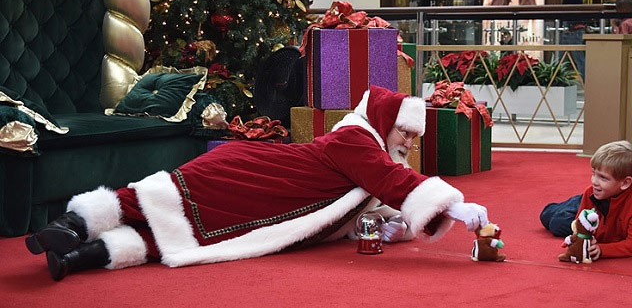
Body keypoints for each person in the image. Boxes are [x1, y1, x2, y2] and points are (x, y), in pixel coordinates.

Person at [25, 86, 489, 281]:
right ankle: (71, 226)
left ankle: (75, 259)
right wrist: (454, 206)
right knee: (154, 199)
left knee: (178, 235)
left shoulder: (368, 157)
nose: (407, 142)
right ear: (385, 122)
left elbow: (359, 207)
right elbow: (391, 180)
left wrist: (395, 228)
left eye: (413, 137)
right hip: (252, 174)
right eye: (404, 131)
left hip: (267, 203)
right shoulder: (356, 139)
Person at [539, 140, 632, 260]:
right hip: (595, 201)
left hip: (603, 214)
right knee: (547, 216)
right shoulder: (591, 192)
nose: (594, 181)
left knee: (556, 223)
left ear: (625, 183)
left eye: (603, 178)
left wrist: (601, 249)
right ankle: (573, 203)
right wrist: (582, 238)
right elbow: (580, 225)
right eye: (593, 173)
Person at [558, 0, 586, 79]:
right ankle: (559, 79)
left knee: (577, 58)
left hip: (572, 30)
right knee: (565, 57)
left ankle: (585, 81)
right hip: (570, 30)